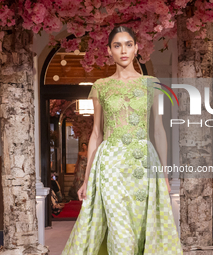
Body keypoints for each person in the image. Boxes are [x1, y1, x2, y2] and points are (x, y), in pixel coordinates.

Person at [62, 26, 183, 254]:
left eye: (128, 44)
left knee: (140, 231)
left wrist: (164, 175)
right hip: (110, 166)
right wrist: (86, 179)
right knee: (122, 238)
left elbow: (158, 131)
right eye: (117, 45)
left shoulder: (151, 83)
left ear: (137, 48)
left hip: (143, 164)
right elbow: (96, 133)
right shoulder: (101, 86)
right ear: (109, 51)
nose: (123, 50)